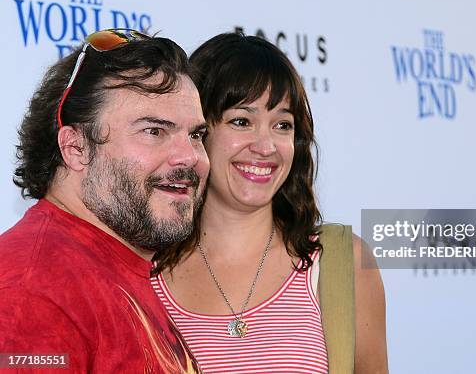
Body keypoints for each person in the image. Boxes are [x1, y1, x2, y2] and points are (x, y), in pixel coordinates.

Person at [152, 32, 388, 373]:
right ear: (197, 132)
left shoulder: (342, 262)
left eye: (282, 124)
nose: (266, 146)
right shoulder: (143, 273)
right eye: (241, 121)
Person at [0, 29, 209, 373]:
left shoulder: (113, 268)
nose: (190, 157)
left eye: (195, 135)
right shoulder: (34, 292)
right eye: (154, 131)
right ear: (76, 148)